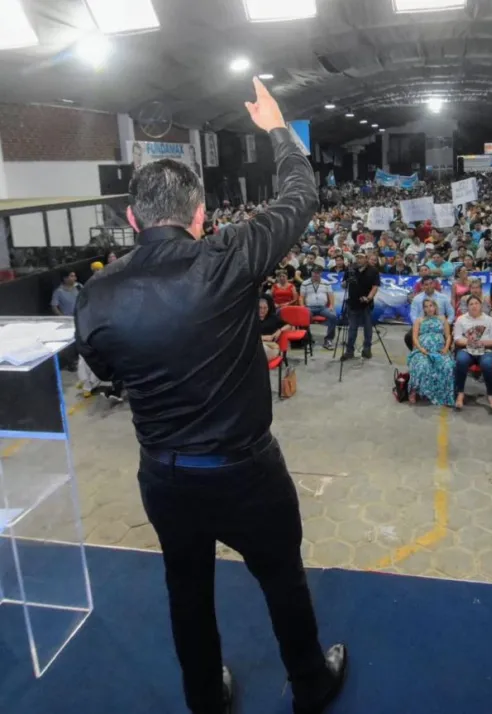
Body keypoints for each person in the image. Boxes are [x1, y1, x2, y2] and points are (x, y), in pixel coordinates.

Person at [73, 78, 346, 714]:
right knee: (282, 578)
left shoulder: (97, 294)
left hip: (164, 475)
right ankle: (310, 683)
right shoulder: (228, 256)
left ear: (131, 218)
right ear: (200, 216)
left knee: (186, 589)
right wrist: (277, 126)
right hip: (247, 471)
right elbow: (301, 195)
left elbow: (105, 368)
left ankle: (205, 697)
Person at [453, 295, 492, 412]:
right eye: (471, 304)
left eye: (476, 303)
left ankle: (490, 394)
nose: (474, 306)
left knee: (487, 364)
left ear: (481, 306)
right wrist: (470, 342)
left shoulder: (489, 320)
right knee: (461, 361)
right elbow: (457, 339)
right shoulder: (461, 319)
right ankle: (460, 393)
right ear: (467, 307)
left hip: (486, 350)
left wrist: (481, 342)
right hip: (466, 349)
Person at [408, 298, 455, 407]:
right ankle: (414, 391)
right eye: (426, 306)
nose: (429, 308)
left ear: (435, 307)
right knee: (422, 365)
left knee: (448, 365)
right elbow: (414, 337)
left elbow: (448, 337)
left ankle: (445, 394)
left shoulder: (443, 319)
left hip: (440, 351)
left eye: (431, 306)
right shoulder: (419, 320)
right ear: (423, 309)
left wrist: (446, 348)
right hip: (423, 351)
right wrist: (421, 349)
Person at [342, 251, 380, 360]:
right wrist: (347, 282)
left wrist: (368, 297)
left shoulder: (373, 271)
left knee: (368, 329)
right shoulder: (350, 269)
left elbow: (375, 287)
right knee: (352, 328)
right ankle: (349, 351)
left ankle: (367, 350)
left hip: (366, 304)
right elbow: (343, 285)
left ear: (366, 258)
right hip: (353, 303)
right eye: (357, 257)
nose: (359, 259)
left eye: (361, 258)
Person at [299, 266, 338, 349]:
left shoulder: (326, 283)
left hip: (323, 308)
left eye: (318, 273)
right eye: (314, 272)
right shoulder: (305, 283)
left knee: (333, 316)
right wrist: (302, 307)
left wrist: (331, 305)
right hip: (309, 307)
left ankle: (328, 340)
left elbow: (331, 295)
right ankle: (308, 339)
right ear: (311, 273)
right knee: (304, 317)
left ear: (321, 273)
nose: (316, 274)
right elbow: (301, 297)